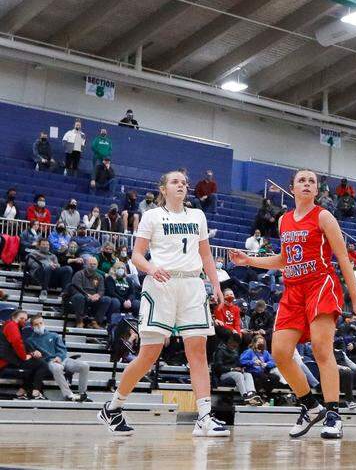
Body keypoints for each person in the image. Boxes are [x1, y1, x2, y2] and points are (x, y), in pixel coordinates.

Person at [228, 169, 356, 440]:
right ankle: (309, 404)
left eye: (311, 181)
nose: (306, 184)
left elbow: (342, 258)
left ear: (317, 190)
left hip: (320, 284)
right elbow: (284, 260)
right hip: (293, 289)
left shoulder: (324, 217)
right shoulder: (283, 220)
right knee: (279, 352)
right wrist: (249, 260)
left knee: (320, 348)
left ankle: (333, 414)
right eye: (301, 180)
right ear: (292, 188)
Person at [98, 170, 229, 437]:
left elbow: (206, 256)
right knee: (149, 355)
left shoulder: (197, 216)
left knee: (198, 353)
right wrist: (151, 268)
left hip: (193, 285)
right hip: (161, 285)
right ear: (163, 188)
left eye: (184, 182)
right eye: (175, 182)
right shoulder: (152, 216)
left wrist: (216, 285)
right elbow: (136, 255)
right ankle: (113, 408)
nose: (181, 185)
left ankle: (204, 417)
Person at [24, 313, 90, 402]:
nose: (39, 326)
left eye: (41, 323)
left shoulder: (54, 335)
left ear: (44, 323)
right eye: (36, 324)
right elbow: (32, 355)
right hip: (49, 361)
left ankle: (82, 393)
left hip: (64, 359)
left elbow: (62, 349)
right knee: (57, 368)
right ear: (32, 327)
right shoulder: (30, 340)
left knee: (84, 365)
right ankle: (69, 395)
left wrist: (59, 357)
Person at [0, 310, 51, 400]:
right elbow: (16, 342)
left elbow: (22, 343)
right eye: (21, 318)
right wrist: (24, 356)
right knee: (42, 365)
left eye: (25, 319)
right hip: (6, 359)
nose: (24, 320)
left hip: (8, 357)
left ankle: (22, 391)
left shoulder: (10, 325)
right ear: (13, 318)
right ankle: (35, 393)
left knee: (36, 364)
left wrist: (30, 353)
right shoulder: (12, 325)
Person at [67, 256, 114, 329]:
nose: (92, 265)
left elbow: (101, 290)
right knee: (78, 296)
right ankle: (79, 321)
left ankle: (95, 322)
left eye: (94, 264)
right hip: (81, 297)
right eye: (91, 264)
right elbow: (76, 288)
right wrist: (87, 295)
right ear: (86, 264)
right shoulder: (79, 274)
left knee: (107, 299)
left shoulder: (100, 277)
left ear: (97, 265)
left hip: (94, 299)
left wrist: (98, 295)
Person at [212, 334, 260, 406]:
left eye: (236, 346)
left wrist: (241, 368)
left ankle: (251, 393)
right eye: (233, 345)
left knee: (248, 374)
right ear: (229, 342)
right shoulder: (220, 351)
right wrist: (232, 369)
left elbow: (237, 363)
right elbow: (218, 367)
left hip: (234, 372)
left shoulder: (235, 351)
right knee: (239, 375)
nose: (234, 347)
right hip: (223, 374)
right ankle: (245, 396)